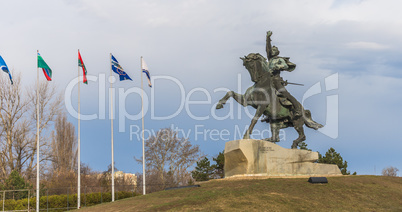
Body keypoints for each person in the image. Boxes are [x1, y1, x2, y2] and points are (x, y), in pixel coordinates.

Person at [266, 31, 302, 118]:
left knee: (285, 94)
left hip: (276, 79)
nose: (272, 51)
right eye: (272, 50)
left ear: (277, 52)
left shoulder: (279, 59)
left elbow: (285, 66)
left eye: (274, 50)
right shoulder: (270, 59)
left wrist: (278, 66)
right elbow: (267, 48)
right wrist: (267, 39)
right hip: (268, 80)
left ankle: (297, 109)